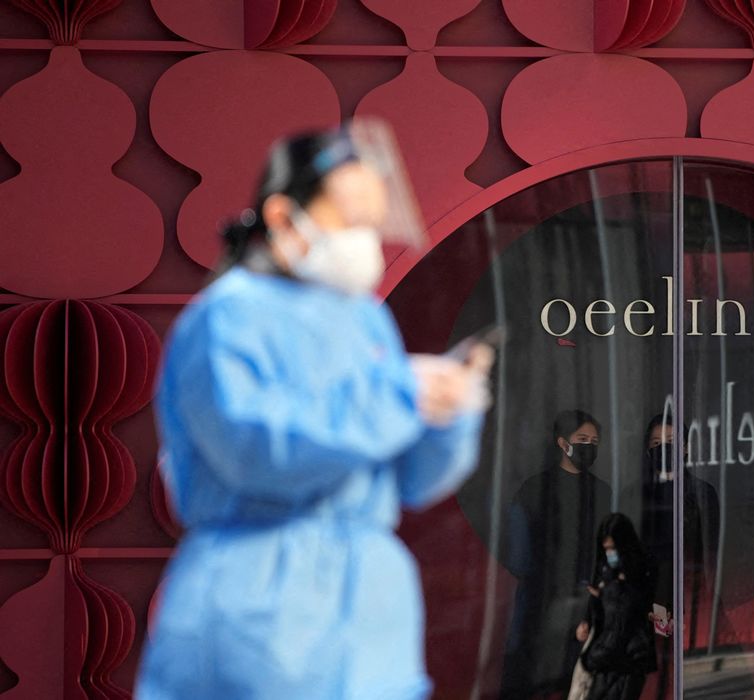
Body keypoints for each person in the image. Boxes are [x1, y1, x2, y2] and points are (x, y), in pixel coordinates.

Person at [136, 124, 492, 699]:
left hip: (371, 604)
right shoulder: (226, 318)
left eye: (371, 223)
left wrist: (443, 415)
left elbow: (409, 480)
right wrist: (400, 396)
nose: (365, 238)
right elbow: (257, 451)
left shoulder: (363, 319)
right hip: (260, 595)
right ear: (282, 218)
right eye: (349, 219)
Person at [501, 410, 614, 698]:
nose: (589, 446)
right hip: (541, 599)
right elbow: (519, 555)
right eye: (582, 439)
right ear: (563, 444)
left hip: (586, 598)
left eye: (594, 441)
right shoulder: (535, 489)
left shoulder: (602, 491)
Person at [637, 413, 719, 696]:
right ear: (648, 450)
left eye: (671, 441)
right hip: (652, 598)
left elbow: (711, 553)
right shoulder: (637, 495)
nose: (664, 448)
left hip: (694, 594)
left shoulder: (703, 493)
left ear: (685, 446)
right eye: (657, 442)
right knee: (660, 669)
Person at [574, 513, 657, 700]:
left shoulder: (642, 570)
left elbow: (646, 613)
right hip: (610, 658)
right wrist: (587, 621)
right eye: (606, 549)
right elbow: (598, 603)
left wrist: (590, 659)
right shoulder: (605, 570)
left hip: (627, 657)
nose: (610, 554)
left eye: (613, 548)